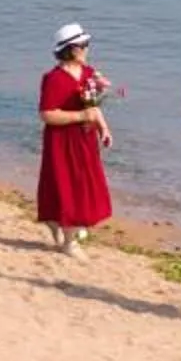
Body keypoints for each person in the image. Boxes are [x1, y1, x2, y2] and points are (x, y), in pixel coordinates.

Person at [36, 24, 114, 255]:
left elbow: (94, 107)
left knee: (84, 184)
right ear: (72, 49)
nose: (88, 49)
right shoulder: (54, 79)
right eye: (84, 45)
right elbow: (47, 114)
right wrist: (80, 115)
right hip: (62, 140)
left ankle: (66, 227)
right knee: (65, 184)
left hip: (84, 139)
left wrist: (104, 128)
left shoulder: (88, 73)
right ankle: (70, 241)